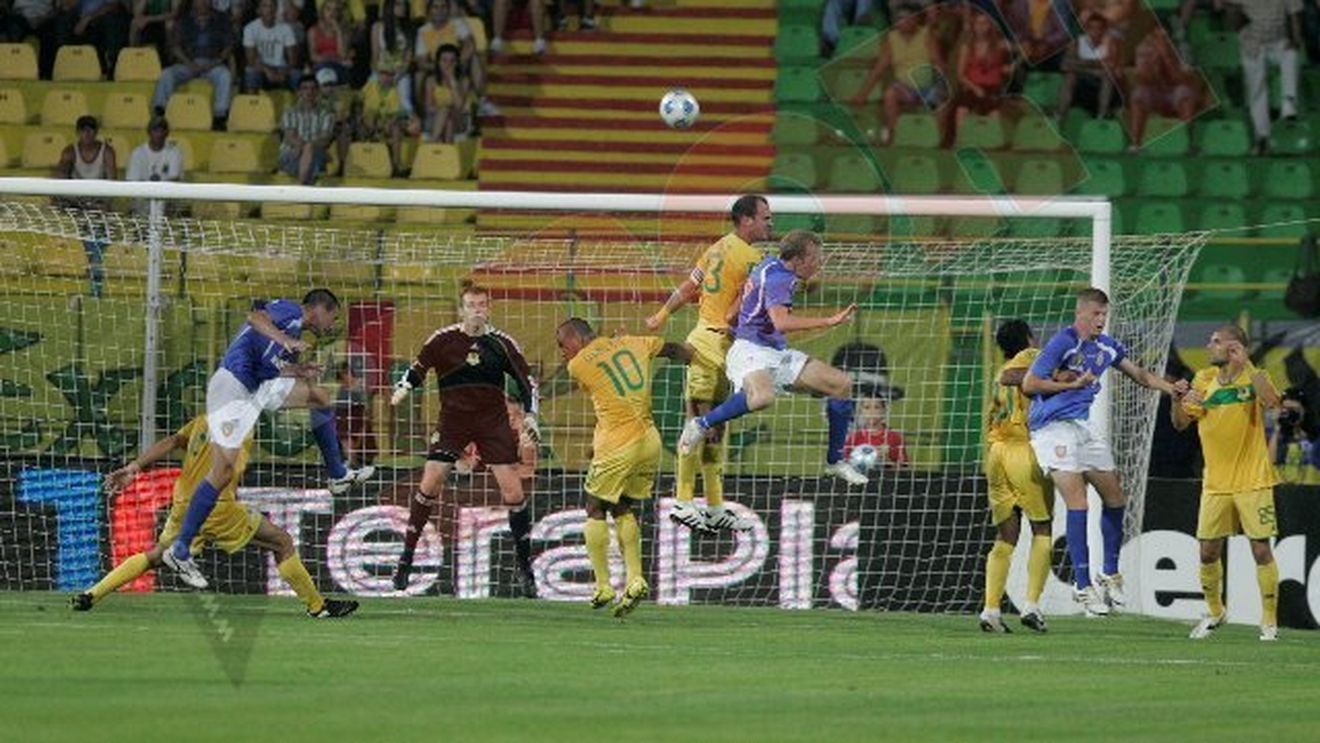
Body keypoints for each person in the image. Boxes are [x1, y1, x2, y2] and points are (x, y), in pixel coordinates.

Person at [160, 290, 375, 590]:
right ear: (319, 309)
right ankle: (180, 550)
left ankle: (337, 474)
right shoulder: (290, 312)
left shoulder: (293, 335)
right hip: (232, 386)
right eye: (332, 317)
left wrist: (297, 369)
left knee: (320, 397)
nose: (332, 325)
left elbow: (270, 368)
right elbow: (255, 317)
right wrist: (285, 340)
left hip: (257, 387)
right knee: (222, 473)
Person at [71, 414, 359, 618]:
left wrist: (134, 467)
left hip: (182, 503)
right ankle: (318, 606)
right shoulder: (241, 426)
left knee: (156, 555)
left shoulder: (204, 419)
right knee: (281, 542)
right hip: (215, 505)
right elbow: (226, 470)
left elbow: (172, 441)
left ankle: (92, 594)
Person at [1021, 287, 1187, 616]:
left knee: (1115, 497)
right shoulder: (1063, 342)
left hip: (1082, 428)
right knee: (1079, 502)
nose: (1101, 320)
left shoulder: (1107, 347)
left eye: (1105, 314)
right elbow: (1029, 384)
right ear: (1081, 313)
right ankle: (1082, 586)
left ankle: (1109, 572)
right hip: (1052, 428)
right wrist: (1071, 385)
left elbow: (1139, 374)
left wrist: (1171, 388)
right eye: (1096, 314)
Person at [676, 230, 868, 486]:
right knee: (763, 397)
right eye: (815, 258)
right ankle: (700, 424)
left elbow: (736, 308)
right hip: (750, 351)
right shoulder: (780, 280)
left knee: (841, 384)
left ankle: (835, 461)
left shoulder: (768, 264)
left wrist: (734, 322)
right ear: (798, 259)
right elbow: (782, 323)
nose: (819, 263)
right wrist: (829, 321)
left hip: (773, 351)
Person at [390, 282, 542, 597]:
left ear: (489, 309)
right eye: (471, 305)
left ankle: (525, 569)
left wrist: (530, 415)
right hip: (454, 421)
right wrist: (405, 387)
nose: (477, 310)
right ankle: (405, 559)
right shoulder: (443, 339)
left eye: (482, 305)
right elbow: (419, 366)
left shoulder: (501, 344)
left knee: (513, 491)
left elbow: (526, 381)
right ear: (462, 309)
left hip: (492, 422)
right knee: (431, 481)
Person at [645, 194, 771, 533]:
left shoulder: (717, 248)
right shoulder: (753, 259)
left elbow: (690, 286)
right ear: (747, 220)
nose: (770, 223)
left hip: (717, 343)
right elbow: (739, 307)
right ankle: (683, 502)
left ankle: (714, 508)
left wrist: (661, 314)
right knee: (697, 425)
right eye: (765, 217)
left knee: (714, 430)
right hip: (712, 342)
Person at [556, 317, 691, 616]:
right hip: (650, 441)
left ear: (576, 338)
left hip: (618, 444)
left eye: (562, 345)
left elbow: (600, 380)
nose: (562, 352)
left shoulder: (577, 365)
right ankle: (635, 579)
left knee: (594, 507)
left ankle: (603, 585)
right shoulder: (635, 342)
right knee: (622, 507)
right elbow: (673, 350)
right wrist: (699, 356)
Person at [1171, 325, 1282, 641]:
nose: (1209, 345)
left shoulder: (1255, 377)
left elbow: (1272, 402)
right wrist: (1176, 400)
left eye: (1216, 341)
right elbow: (1181, 424)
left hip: (1253, 480)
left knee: (1260, 549)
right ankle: (1215, 612)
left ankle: (1269, 621)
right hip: (1215, 483)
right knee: (1207, 552)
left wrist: (1248, 364)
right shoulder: (1203, 379)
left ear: (1234, 347)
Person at [979, 319, 1053, 633]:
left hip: (995, 453)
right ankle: (1032, 606)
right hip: (1023, 449)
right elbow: (1039, 377)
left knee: (1006, 535)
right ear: (1028, 338)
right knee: (1042, 528)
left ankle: (991, 610)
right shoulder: (1031, 358)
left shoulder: (1000, 372)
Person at [851, 3, 947, 146]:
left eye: (909, 18)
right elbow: (879, 68)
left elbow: (937, 62)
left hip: (927, 87)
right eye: (901, 18)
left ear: (916, 20)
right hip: (905, 88)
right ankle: (892, 136)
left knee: (942, 102)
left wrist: (940, 86)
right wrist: (863, 93)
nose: (904, 22)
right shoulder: (891, 38)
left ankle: (937, 141)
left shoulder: (927, 35)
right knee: (890, 94)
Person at [1229, 0, 1302, 154]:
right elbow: (1235, 23)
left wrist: (1296, 39)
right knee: (1256, 90)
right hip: (1253, 42)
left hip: (1278, 41)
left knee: (1291, 54)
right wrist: (1234, 12)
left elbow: (1295, 14)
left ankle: (1289, 105)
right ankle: (1262, 136)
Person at [55, 115, 116, 299]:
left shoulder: (107, 152)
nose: (87, 134)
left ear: (96, 132)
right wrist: (78, 203)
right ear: (78, 132)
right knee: (87, 232)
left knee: (99, 232)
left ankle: (95, 280)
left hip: (100, 207)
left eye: (90, 130)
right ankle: (94, 281)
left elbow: (113, 184)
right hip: (78, 206)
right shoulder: (69, 153)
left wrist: (103, 205)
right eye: (83, 130)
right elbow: (59, 181)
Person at [151, 0, 233, 131]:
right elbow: (175, 47)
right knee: (167, 74)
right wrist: (189, 63)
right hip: (188, 63)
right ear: (193, 2)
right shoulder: (184, 20)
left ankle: (220, 116)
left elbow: (228, 46)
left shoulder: (222, 19)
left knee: (225, 75)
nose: (203, 3)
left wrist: (215, 62)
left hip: (212, 64)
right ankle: (160, 113)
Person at [942, 7, 1014, 147]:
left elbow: (1003, 66)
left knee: (994, 110)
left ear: (990, 26)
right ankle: (961, 141)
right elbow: (961, 75)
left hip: (993, 87)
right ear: (973, 26)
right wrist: (975, 88)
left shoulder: (999, 45)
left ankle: (995, 142)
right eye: (978, 23)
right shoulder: (967, 47)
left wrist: (1008, 69)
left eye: (985, 23)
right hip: (972, 86)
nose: (981, 27)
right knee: (961, 108)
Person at [1127, 31, 1201, 150]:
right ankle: (1135, 144)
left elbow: (1182, 79)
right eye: (1155, 36)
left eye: (1163, 37)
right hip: (1155, 91)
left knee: (1185, 93)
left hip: (1176, 92)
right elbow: (1143, 80)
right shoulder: (1144, 48)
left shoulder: (1184, 49)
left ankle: (1189, 143)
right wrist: (1153, 64)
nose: (1158, 40)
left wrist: (1166, 55)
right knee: (1138, 94)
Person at [1057, 12, 1120, 121]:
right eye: (1091, 28)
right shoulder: (1077, 43)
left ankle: (1102, 115)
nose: (1095, 31)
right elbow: (1065, 65)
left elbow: (1110, 66)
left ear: (1104, 30)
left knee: (1108, 76)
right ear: (1086, 29)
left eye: (1099, 28)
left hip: (1100, 83)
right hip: (1082, 82)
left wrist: (1081, 64)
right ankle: (1061, 115)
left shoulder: (1110, 43)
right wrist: (1095, 66)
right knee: (1070, 76)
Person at [279, 74, 335, 184]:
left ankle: (300, 185)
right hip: (292, 153)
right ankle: (306, 184)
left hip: (315, 152)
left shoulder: (326, 114)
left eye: (313, 88)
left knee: (310, 150)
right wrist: (301, 146)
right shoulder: (290, 113)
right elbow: (290, 137)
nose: (309, 92)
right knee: (310, 156)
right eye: (305, 88)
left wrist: (307, 147)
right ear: (299, 92)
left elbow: (324, 139)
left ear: (318, 92)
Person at [125, 115, 183, 216]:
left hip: (166, 202)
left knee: (163, 203)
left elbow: (174, 181)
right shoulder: (138, 153)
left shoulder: (174, 153)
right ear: (149, 132)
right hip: (142, 201)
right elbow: (132, 182)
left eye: (162, 130)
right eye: (155, 130)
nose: (159, 134)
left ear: (166, 133)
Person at [54, 0, 130, 77]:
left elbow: (113, 6)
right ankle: (64, 62)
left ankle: (110, 69)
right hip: (81, 18)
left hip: (101, 19)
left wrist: (88, 18)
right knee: (62, 19)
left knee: (111, 21)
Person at [242, 0, 300, 92]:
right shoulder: (250, 28)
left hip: (281, 67)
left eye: (272, 6)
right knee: (251, 71)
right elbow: (251, 60)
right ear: (258, 10)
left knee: (296, 74)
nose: (269, 9)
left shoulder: (286, 28)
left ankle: (299, 101)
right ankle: (252, 100)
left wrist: (283, 72)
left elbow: (292, 60)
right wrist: (267, 70)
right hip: (261, 68)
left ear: (276, 9)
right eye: (265, 6)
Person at [423, 43, 472, 142]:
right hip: (435, 118)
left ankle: (431, 144)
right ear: (438, 62)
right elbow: (428, 107)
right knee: (448, 120)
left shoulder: (464, 81)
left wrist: (452, 81)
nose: (448, 64)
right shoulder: (430, 80)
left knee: (447, 112)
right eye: (444, 60)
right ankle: (446, 150)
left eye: (452, 61)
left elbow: (459, 106)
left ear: (457, 63)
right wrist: (444, 111)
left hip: (459, 119)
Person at [1270, 387, 1320, 484]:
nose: (1290, 414)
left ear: (1305, 410)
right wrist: (1277, 428)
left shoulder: (1316, 433)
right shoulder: (1279, 435)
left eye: (1294, 410)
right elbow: (1271, 462)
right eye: (1286, 410)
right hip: (1287, 489)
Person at [3, 0, 58, 80]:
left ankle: (45, 74)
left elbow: (56, 8)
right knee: (12, 30)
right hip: (20, 16)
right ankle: (11, 70)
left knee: (50, 37)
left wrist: (46, 17)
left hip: (44, 18)